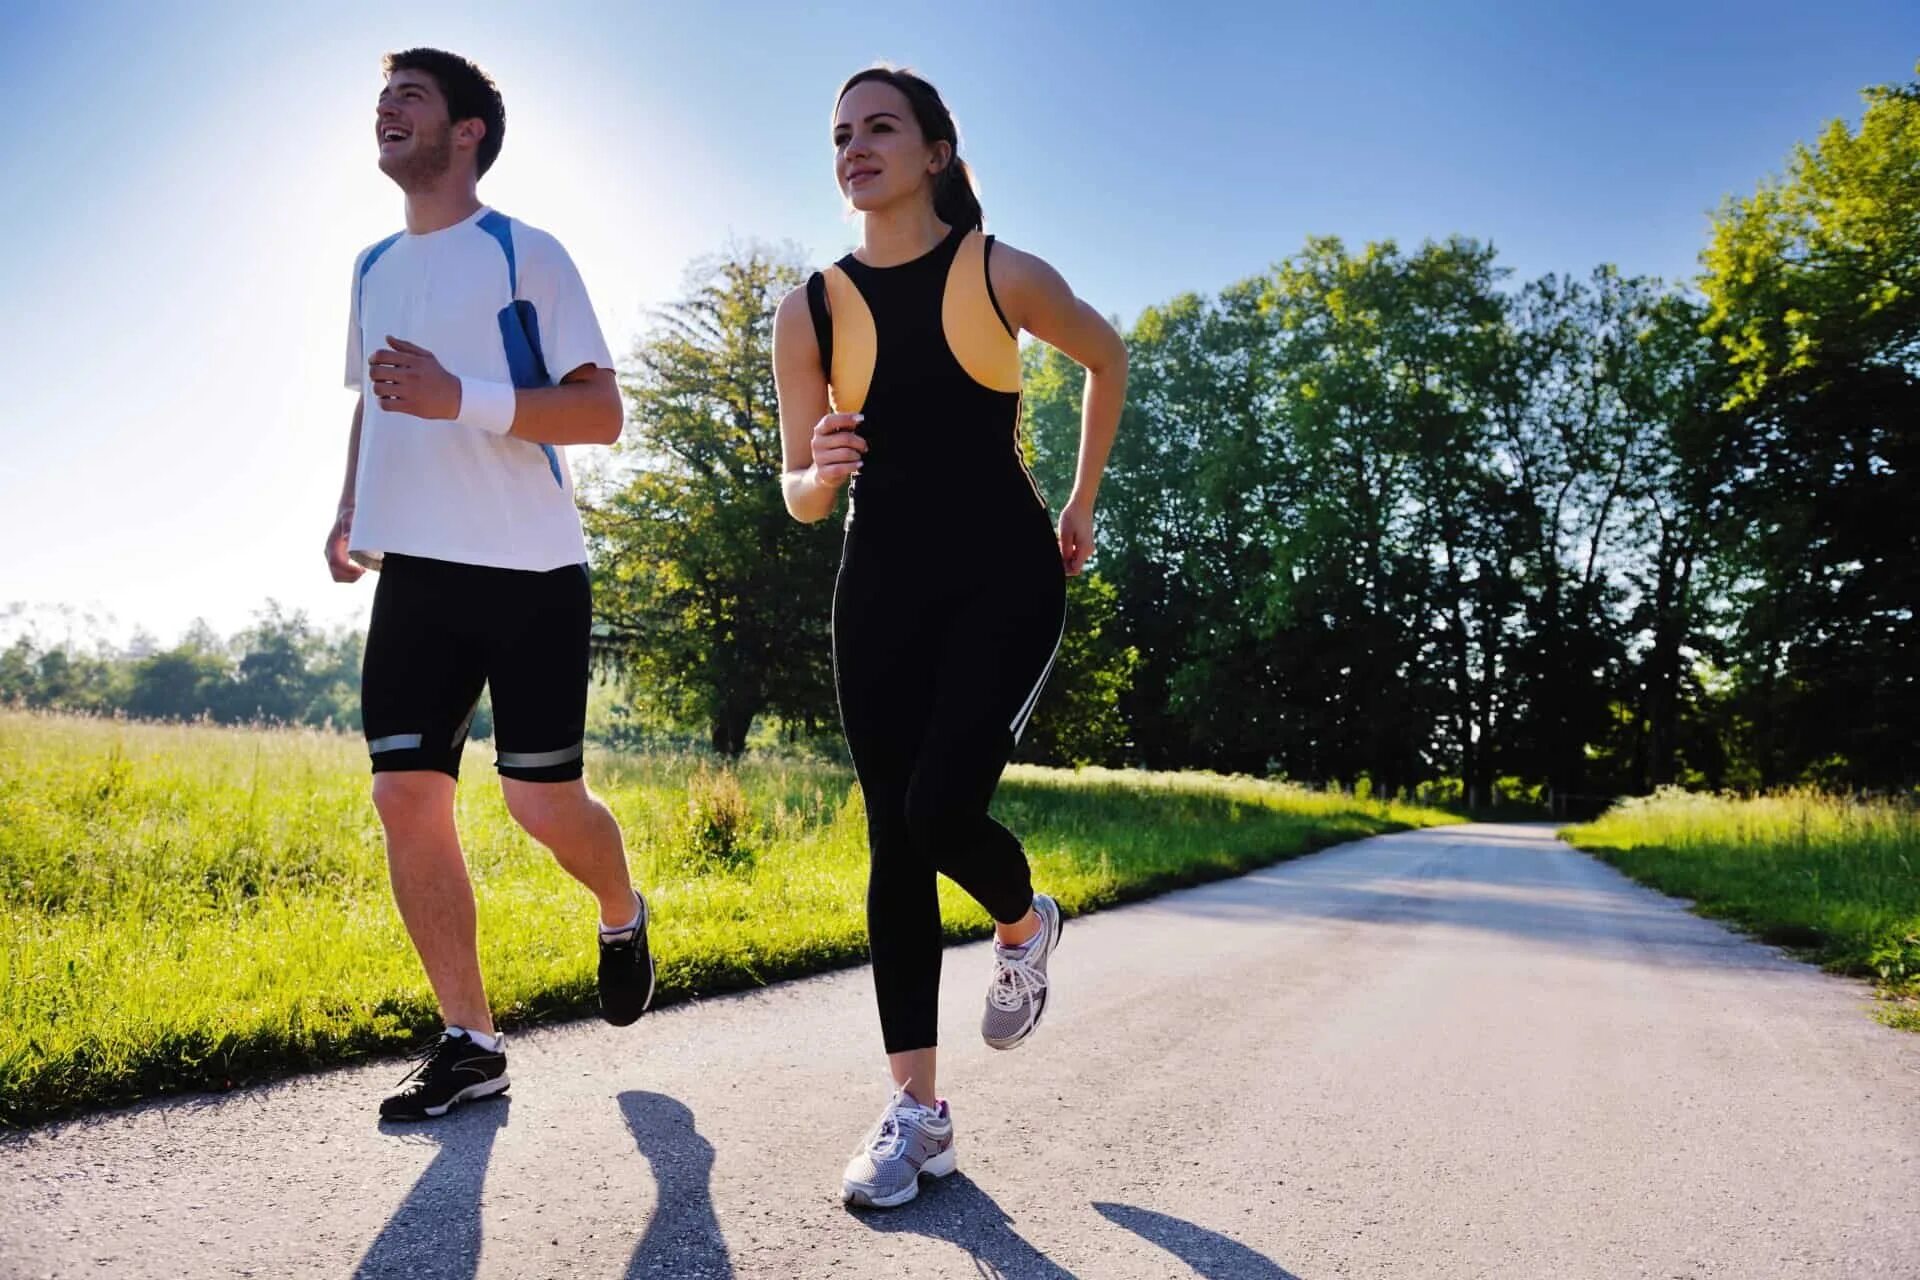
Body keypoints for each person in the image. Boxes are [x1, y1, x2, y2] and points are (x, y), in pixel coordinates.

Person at [771, 65, 1127, 1207]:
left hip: (1004, 580)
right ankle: (918, 1115)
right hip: (877, 585)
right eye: (840, 135)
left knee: (936, 810)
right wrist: (814, 469)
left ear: (933, 151)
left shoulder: (996, 269)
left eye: (879, 128)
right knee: (892, 840)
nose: (855, 148)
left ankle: (1023, 918)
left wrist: (1079, 505)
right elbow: (800, 495)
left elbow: (1107, 355)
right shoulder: (811, 308)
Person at [325, 48, 653, 1122]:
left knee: (539, 801)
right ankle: (471, 1040)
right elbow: (375, 401)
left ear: (467, 131)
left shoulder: (525, 251)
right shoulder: (372, 265)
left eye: (410, 97)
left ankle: (619, 905)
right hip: (417, 568)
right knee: (403, 793)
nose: (388, 109)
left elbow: (600, 414)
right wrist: (349, 511)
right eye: (385, 97)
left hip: (530, 566)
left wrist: (456, 393)